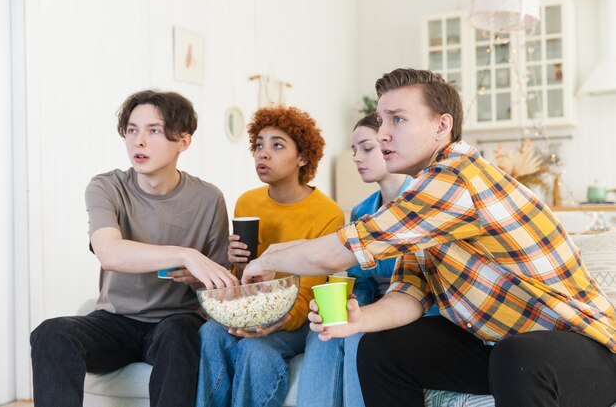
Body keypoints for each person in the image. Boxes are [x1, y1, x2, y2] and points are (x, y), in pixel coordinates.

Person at [243, 69, 616, 407]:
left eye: (398, 119)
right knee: (382, 347)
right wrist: (358, 321)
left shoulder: (457, 179)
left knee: (516, 356)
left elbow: (342, 251)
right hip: (500, 349)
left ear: (442, 126)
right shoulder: (419, 201)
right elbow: (410, 296)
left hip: (585, 351)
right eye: (381, 120)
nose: (383, 132)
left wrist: (268, 259)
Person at [30, 90, 238, 407]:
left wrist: (197, 276)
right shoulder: (106, 187)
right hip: (115, 321)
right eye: (131, 130)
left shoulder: (209, 198)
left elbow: (216, 284)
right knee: (50, 333)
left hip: (176, 320)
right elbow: (109, 253)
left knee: (181, 335)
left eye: (153, 130)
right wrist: (186, 254)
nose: (138, 142)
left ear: (184, 141)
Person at [196, 105, 345, 407]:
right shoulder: (247, 202)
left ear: (303, 157)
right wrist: (236, 262)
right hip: (253, 305)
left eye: (277, 145)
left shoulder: (328, 213)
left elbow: (307, 296)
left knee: (256, 351)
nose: (263, 154)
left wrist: (277, 320)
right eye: (258, 145)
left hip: (297, 316)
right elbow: (243, 282)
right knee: (210, 332)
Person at [296, 113, 439, 407]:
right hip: (373, 302)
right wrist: (346, 308)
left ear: (390, 144)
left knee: (358, 336)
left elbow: (428, 284)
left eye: (367, 148)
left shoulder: (422, 204)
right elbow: (359, 277)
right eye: (353, 151)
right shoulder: (362, 211)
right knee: (324, 334)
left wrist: (362, 316)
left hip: (418, 310)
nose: (357, 158)